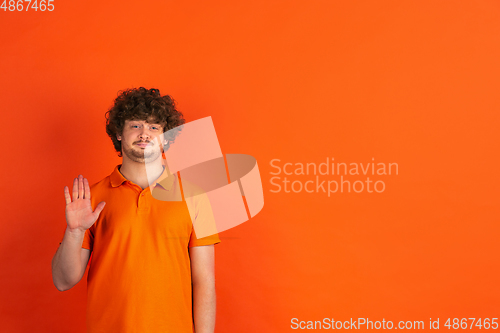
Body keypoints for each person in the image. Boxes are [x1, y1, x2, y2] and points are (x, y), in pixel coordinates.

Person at [51, 87, 220, 333]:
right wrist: (74, 231)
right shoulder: (92, 198)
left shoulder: (195, 197)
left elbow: (203, 281)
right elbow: (62, 281)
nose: (144, 134)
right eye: (135, 125)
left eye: (154, 127)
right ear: (119, 133)